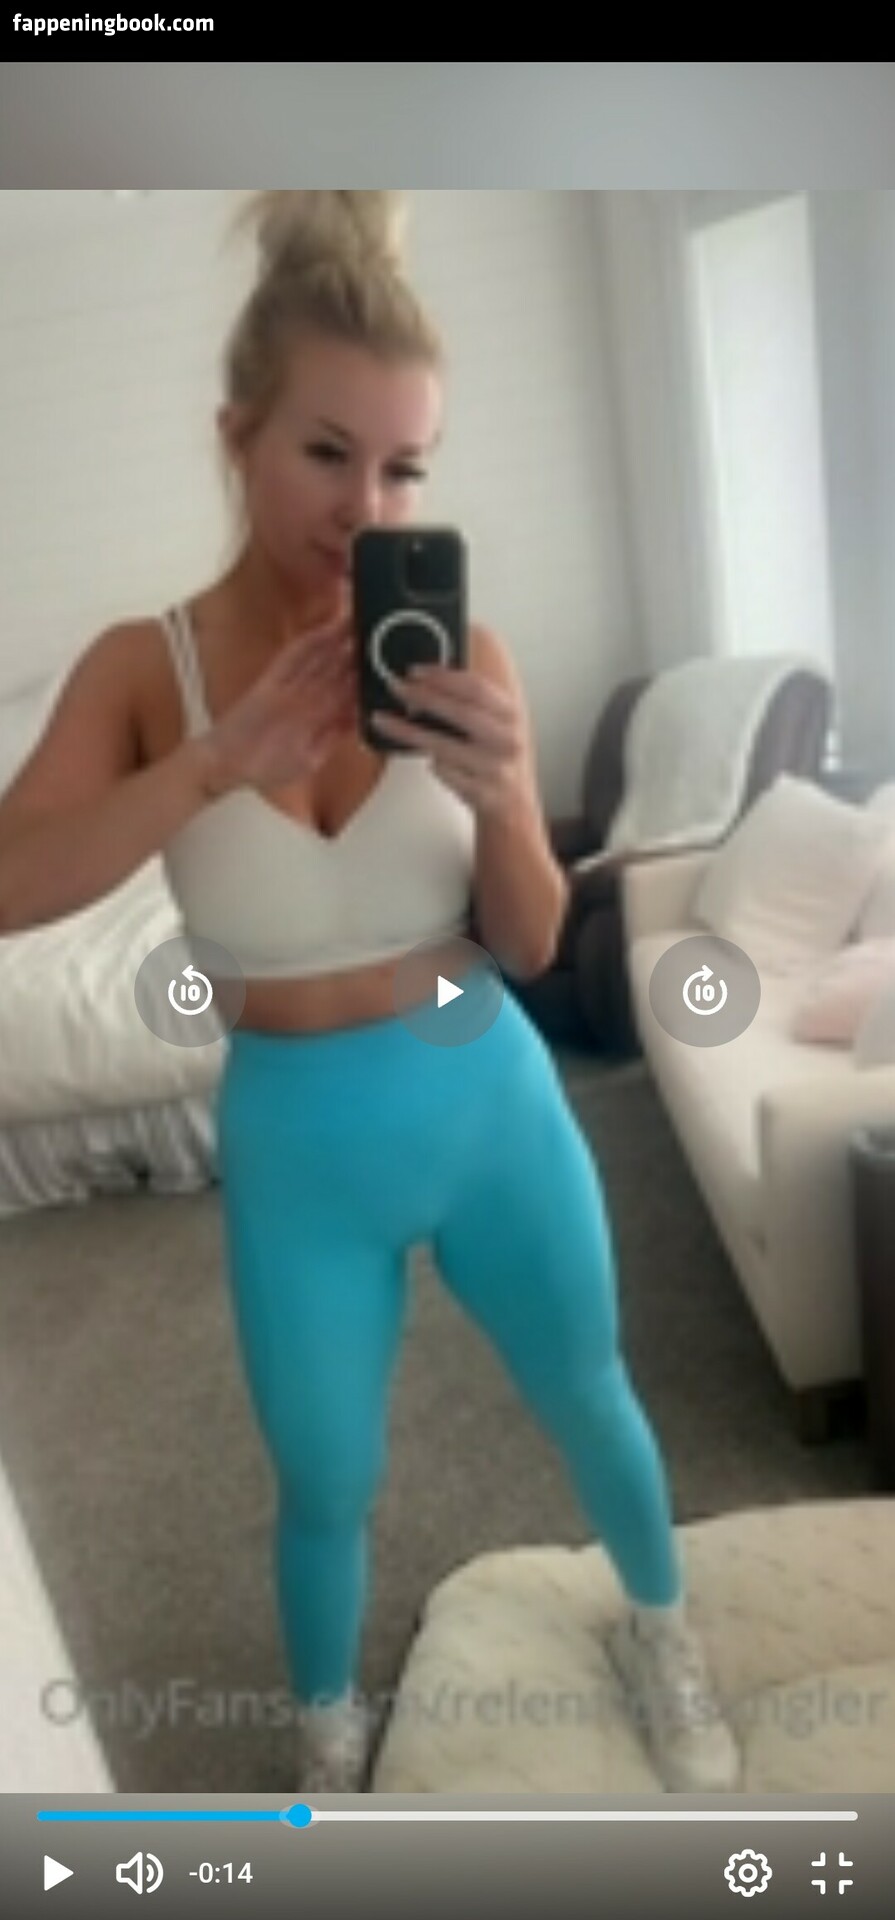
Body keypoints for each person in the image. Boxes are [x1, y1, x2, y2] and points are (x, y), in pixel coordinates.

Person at [0, 191, 740, 1797]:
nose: (366, 506)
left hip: (486, 1090)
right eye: (327, 453)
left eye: (406, 468)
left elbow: (531, 943)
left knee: (591, 1389)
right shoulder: (145, 671)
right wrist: (213, 763)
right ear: (239, 437)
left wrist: (511, 796)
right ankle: (330, 1748)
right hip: (299, 1144)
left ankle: (662, 1628)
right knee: (325, 1480)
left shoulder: (464, 654)